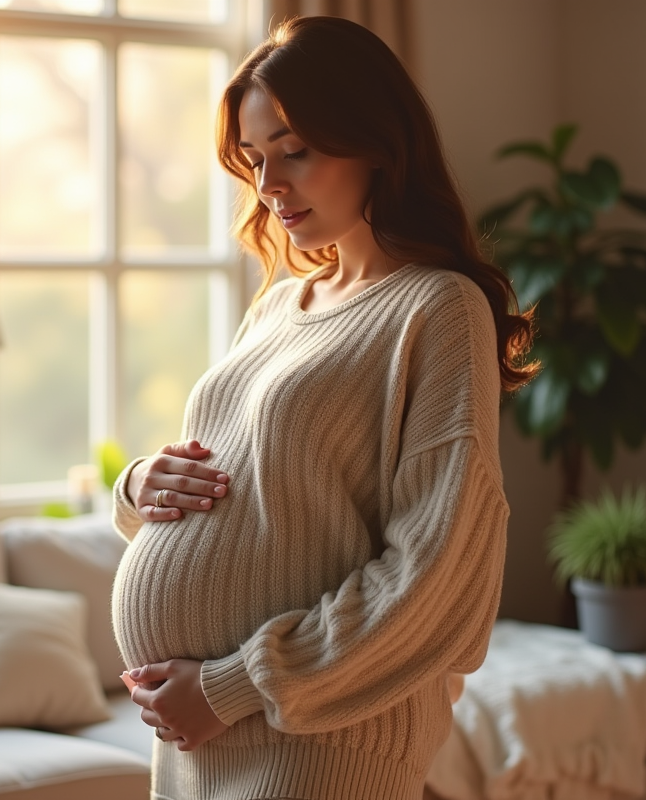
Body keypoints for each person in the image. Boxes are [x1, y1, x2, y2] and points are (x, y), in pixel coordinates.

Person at [108, 15, 536, 800]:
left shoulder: (436, 309)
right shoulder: (276, 307)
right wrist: (137, 488)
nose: (269, 187)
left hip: (319, 746)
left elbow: (434, 573)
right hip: (199, 744)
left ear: (374, 140)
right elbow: (244, 488)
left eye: (295, 150)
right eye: (256, 158)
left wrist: (229, 687)